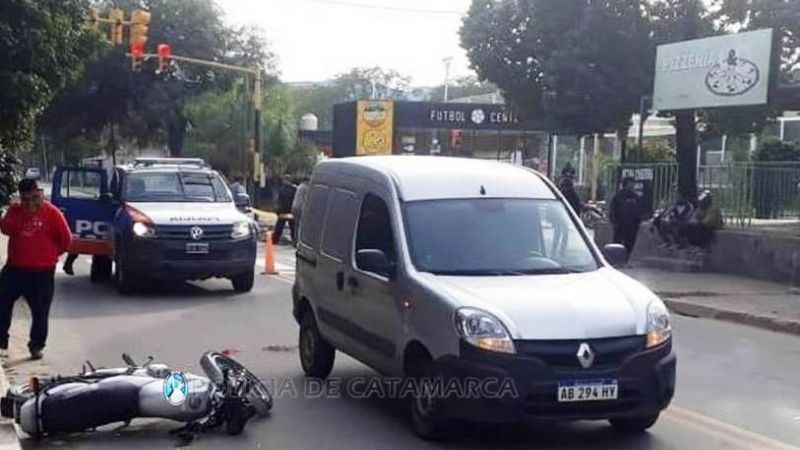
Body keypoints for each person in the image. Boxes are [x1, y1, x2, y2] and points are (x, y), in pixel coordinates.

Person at [0, 179, 72, 359]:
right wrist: (21, 212)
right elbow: (6, 228)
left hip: (42, 272)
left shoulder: (52, 213)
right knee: (2, 301)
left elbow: (66, 239)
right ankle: (1, 341)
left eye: (35, 198)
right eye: (26, 199)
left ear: (40, 194)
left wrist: (49, 256)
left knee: (40, 312)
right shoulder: (15, 211)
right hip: (15, 268)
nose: (31, 203)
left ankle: (36, 346)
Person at [609, 177, 642, 257]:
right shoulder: (618, 196)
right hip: (620, 224)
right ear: (626, 184)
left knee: (630, 243)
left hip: (632, 225)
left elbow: (639, 209)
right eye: (630, 184)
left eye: (633, 184)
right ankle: (616, 259)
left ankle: (625, 260)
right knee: (618, 243)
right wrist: (614, 221)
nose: (632, 186)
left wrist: (638, 221)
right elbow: (613, 209)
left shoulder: (635, 197)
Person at [272, 175, 297, 245]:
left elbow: (279, 201)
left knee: (280, 226)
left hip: (283, 210)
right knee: (292, 226)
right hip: (289, 210)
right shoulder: (294, 189)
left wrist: (278, 210)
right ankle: (295, 240)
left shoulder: (283, 189)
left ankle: (274, 240)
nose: (284, 182)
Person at [291, 177, 310, 246]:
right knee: (301, 226)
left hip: (294, 207)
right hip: (300, 208)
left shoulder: (300, 186)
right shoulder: (306, 188)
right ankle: (298, 242)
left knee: (296, 225)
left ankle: (295, 241)